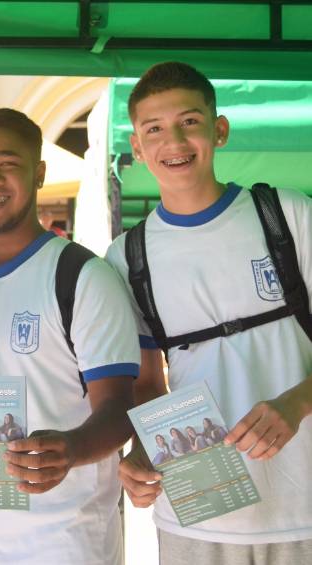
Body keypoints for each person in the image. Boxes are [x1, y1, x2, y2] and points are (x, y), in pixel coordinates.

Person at [105, 61, 312, 564]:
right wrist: (144, 449)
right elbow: (149, 385)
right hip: (196, 514)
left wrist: (297, 403)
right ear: (137, 146)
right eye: (154, 128)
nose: (173, 141)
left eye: (190, 121)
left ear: (218, 130)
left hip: (304, 505)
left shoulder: (287, 213)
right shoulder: (128, 256)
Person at [0, 108, 139, 564]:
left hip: (68, 546)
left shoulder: (81, 276)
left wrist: (72, 448)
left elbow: (120, 408)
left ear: (38, 172)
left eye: (8, 163)